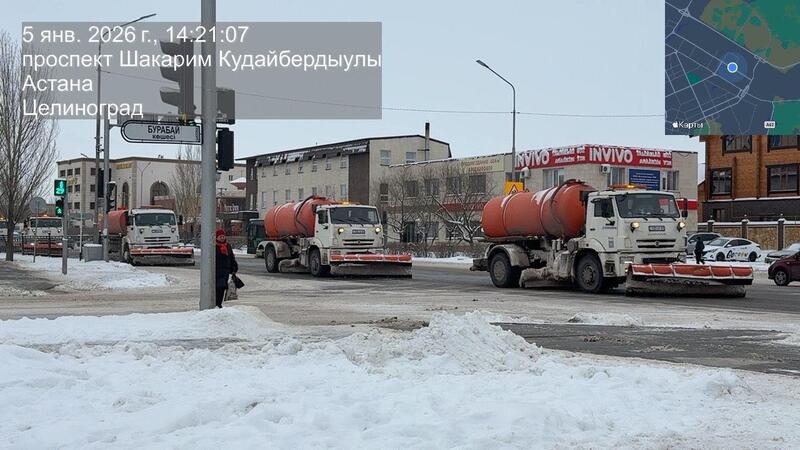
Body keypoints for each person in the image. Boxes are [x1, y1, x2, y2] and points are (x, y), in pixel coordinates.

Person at [215, 228, 238, 308]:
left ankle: (218, 303)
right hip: (216, 271)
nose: (222, 238)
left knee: (222, 287)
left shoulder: (227, 246)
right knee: (219, 287)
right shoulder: (213, 246)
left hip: (225, 271)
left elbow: (231, 257)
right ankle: (217, 303)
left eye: (223, 236)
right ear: (216, 237)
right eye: (220, 236)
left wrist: (234, 268)